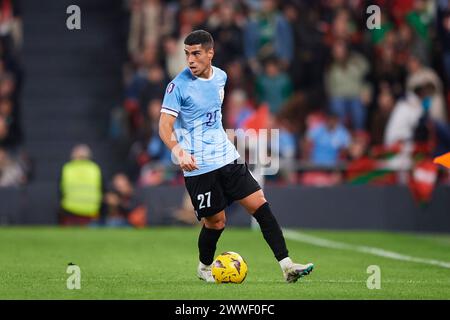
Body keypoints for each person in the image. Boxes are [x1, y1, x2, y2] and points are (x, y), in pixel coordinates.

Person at [158, 30, 313, 283]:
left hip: (227, 157)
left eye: (196, 53)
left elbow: (213, 116)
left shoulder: (221, 77)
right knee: (217, 222)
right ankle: (204, 267)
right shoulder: (177, 86)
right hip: (198, 166)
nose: (190, 60)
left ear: (210, 53)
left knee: (260, 205)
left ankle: (287, 265)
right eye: (187, 54)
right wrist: (179, 151)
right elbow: (164, 125)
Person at [58, 144, 103, 226]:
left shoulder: (67, 168)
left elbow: (60, 189)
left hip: (70, 209)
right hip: (91, 210)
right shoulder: (95, 168)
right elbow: (102, 188)